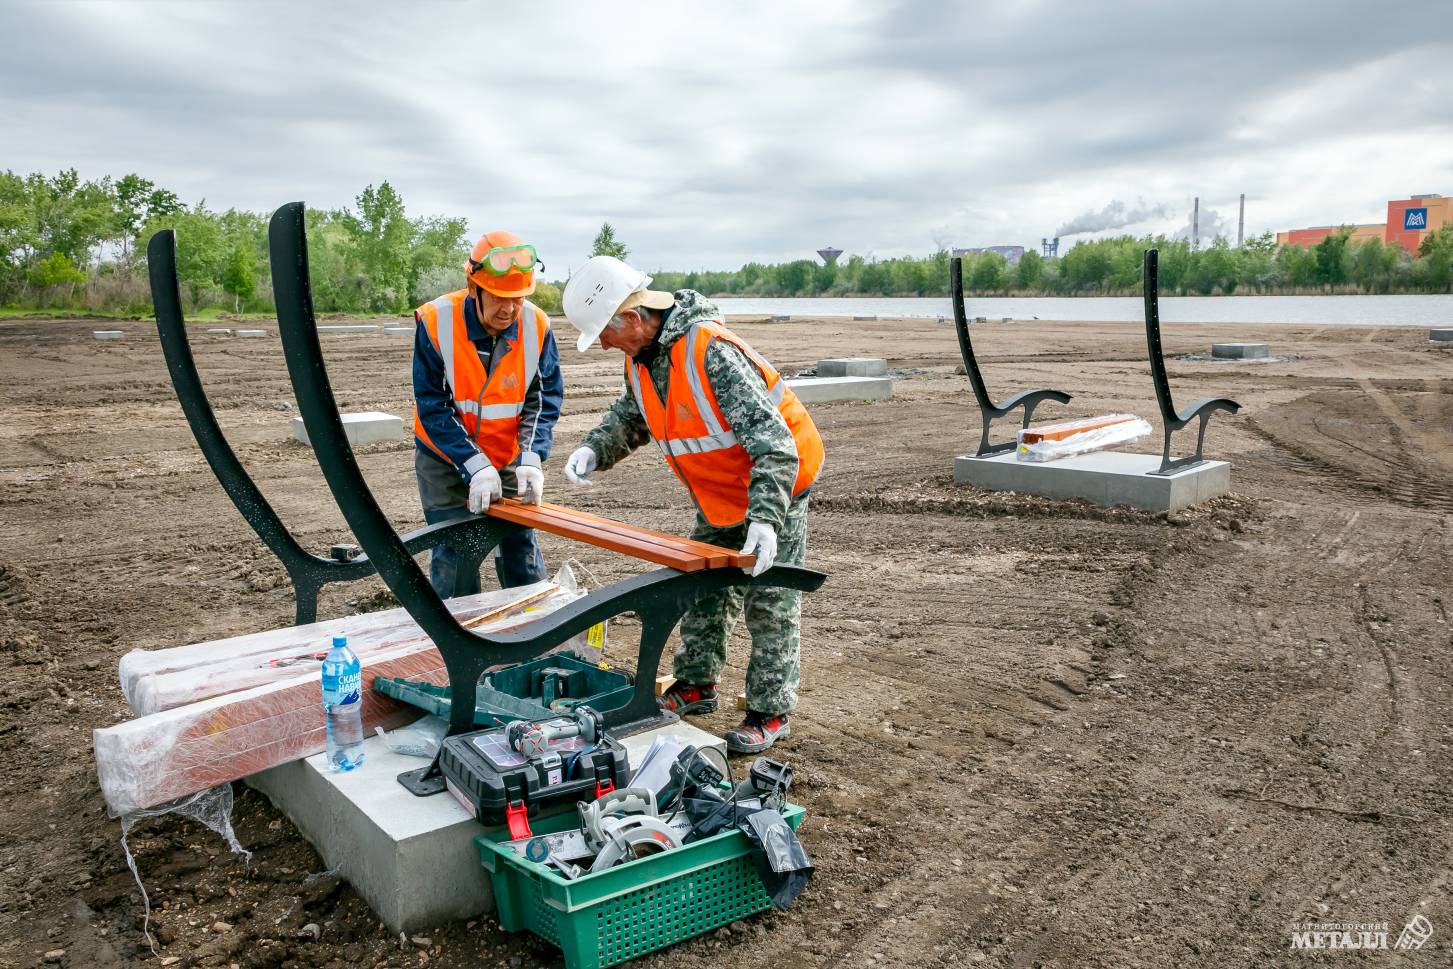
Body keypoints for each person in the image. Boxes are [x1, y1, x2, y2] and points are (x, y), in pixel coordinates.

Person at [560, 256, 823, 753]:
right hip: (721, 493)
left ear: (633, 319)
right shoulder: (642, 360)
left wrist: (767, 520)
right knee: (702, 588)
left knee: (770, 600)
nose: (603, 344)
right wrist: (595, 448)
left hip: (776, 485)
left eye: (604, 333)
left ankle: (769, 710)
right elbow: (632, 416)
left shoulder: (711, 352)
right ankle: (697, 684)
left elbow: (775, 444)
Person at [412, 230, 562, 596]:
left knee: (520, 549)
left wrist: (531, 457)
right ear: (473, 287)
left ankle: (533, 635)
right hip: (444, 459)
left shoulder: (537, 326)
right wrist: (472, 464)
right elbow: (433, 405)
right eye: (499, 297)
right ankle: (459, 641)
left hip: (507, 455)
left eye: (519, 298)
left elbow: (542, 400)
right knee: (455, 553)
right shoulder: (435, 322)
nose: (510, 310)